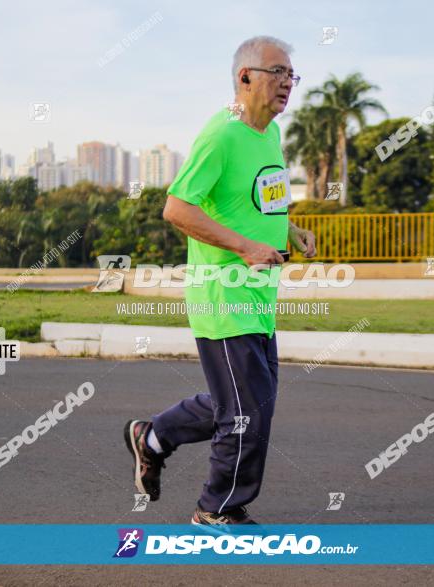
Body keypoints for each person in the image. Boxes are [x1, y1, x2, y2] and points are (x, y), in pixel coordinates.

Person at [124, 35, 316, 526]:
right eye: (277, 73)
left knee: (243, 401)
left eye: (291, 75)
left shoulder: (268, 134)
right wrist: (246, 247)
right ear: (245, 77)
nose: (287, 84)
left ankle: (153, 437)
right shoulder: (221, 134)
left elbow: (260, 198)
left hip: (257, 297)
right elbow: (177, 207)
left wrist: (289, 228)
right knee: (247, 411)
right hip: (223, 295)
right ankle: (217, 507)